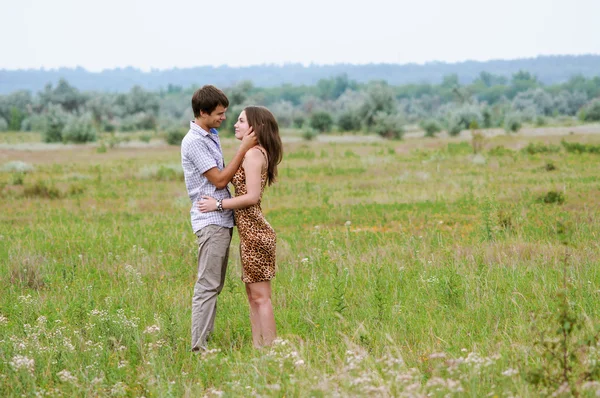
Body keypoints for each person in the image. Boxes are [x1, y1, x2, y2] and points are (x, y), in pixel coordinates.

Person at [198, 106, 283, 348]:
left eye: (241, 121)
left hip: (256, 233)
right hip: (250, 234)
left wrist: (218, 204)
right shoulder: (252, 152)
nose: (235, 124)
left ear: (255, 128)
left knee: (261, 298)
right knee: (254, 297)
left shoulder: (254, 154)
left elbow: (252, 197)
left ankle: (270, 350)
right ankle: (260, 349)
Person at [181, 85, 257, 352]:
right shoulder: (194, 142)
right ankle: (199, 349)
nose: (223, 118)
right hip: (211, 221)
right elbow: (220, 179)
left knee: (214, 285)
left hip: (221, 220)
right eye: (218, 114)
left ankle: (205, 343)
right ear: (203, 112)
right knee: (207, 286)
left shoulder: (210, 135)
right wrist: (245, 147)